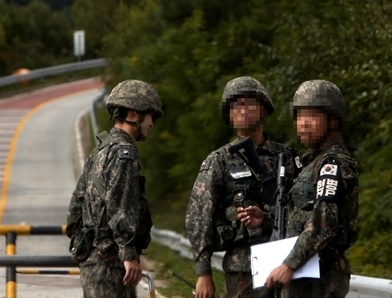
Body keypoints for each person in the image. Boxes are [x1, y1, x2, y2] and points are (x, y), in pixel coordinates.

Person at [185, 76, 301, 298]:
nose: (242, 110)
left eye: (248, 103)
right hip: (243, 267)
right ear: (229, 115)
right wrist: (203, 272)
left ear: (264, 109)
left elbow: (303, 210)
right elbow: (198, 216)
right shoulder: (219, 161)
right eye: (235, 105)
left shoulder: (285, 156)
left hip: (287, 262)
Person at [250, 80, 358, 297]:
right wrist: (267, 220)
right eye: (299, 116)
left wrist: (290, 264)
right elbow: (302, 219)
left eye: (312, 116)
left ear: (333, 120)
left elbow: (323, 223)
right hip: (300, 276)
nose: (303, 124)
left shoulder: (333, 164)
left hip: (320, 278)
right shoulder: (310, 163)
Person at [66, 79, 163, 298]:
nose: (152, 123)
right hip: (112, 265)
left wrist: (85, 247)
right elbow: (122, 208)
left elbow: (75, 208)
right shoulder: (124, 154)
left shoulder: (99, 151)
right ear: (134, 114)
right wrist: (128, 255)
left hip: (93, 265)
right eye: (150, 115)